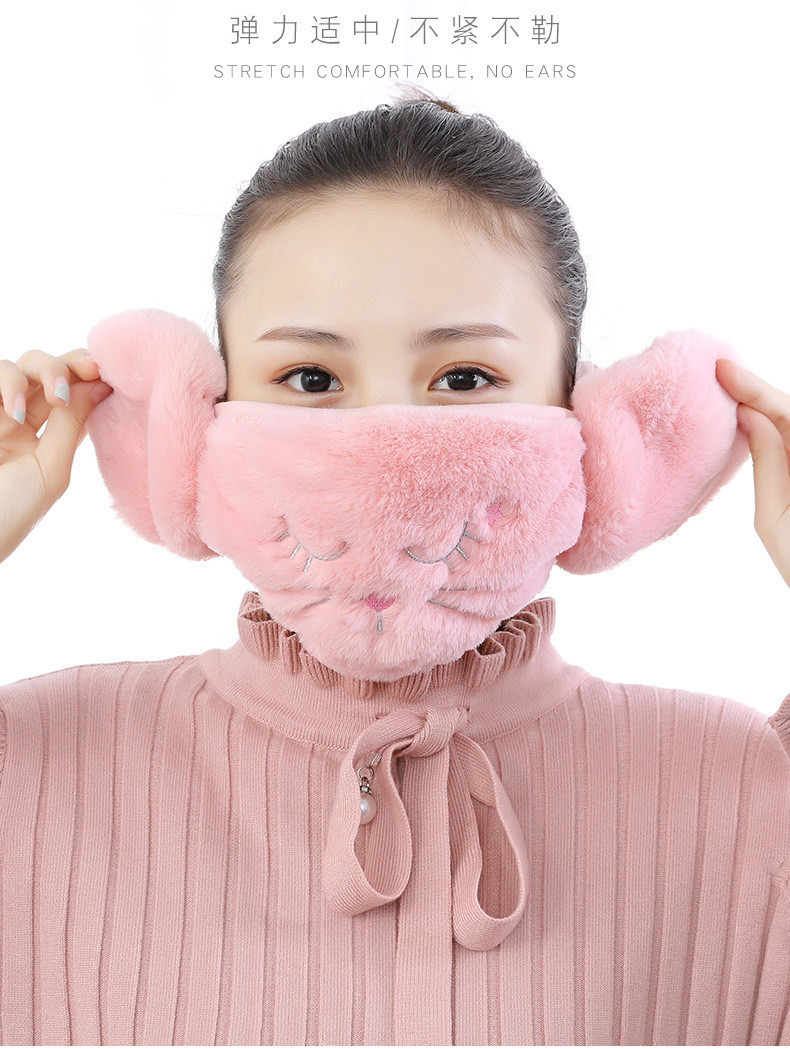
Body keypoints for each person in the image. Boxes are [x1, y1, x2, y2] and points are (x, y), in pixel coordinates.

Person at [0, 86, 789, 1046]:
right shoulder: (34, 764)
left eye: (464, 377)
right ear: (184, 431)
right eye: (311, 378)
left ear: (601, 432)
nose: (385, 453)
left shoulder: (742, 788)